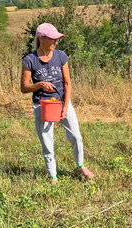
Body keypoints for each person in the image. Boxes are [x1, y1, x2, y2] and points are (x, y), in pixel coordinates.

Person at [20, 23, 95, 185]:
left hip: (62, 103)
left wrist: (66, 106)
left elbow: (67, 83)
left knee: (76, 136)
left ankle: (80, 166)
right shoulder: (30, 60)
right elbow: (24, 87)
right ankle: (53, 176)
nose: (56, 42)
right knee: (47, 141)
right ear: (41, 38)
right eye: (53, 39)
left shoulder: (61, 56)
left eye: (57, 39)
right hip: (42, 106)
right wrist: (40, 85)